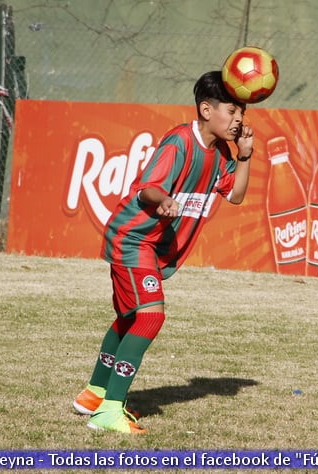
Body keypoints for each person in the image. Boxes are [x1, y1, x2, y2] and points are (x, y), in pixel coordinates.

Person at [72, 70, 254, 434]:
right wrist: (165, 198)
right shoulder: (179, 143)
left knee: (129, 318)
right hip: (133, 238)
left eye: (242, 115)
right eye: (232, 112)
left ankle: (93, 393)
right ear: (206, 109)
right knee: (151, 317)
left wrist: (245, 156)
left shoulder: (220, 155)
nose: (238, 121)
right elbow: (146, 190)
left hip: (150, 247)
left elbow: (235, 196)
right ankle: (109, 410)